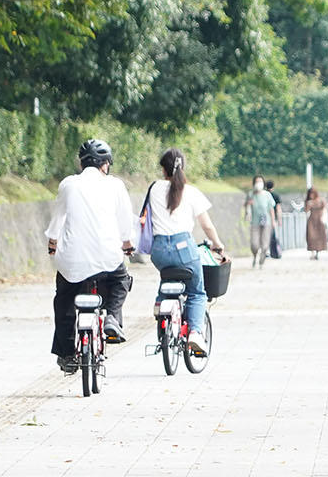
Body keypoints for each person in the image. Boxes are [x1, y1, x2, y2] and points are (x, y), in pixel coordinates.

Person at [46, 139, 136, 374]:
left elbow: (58, 218)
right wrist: (127, 243)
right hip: (108, 258)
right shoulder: (115, 185)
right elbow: (125, 221)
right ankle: (112, 318)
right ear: (105, 164)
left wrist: (53, 241)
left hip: (72, 262)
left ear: (81, 162)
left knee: (64, 300)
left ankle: (66, 354)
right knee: (121, 281)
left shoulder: (68, 184)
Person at [139, 148, 230, 355]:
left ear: (163, 169)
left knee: (169, 274)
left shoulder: (154, 188)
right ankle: (196, 333)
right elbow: (206, 225)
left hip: (159, 250)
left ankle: (161, 302)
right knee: (197, 292)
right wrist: (217, 244)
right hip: (184, 248)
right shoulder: (190, 191)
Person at [245, 176, 276, 268]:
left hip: (267, 222)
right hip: (254, 222)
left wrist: (273, 221)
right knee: (254, 244)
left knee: (265, 244)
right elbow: (246, 207)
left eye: (260, 181)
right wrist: (248, 205)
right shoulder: (251, 194)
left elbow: (271, 209)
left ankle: (261, 261)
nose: (259, 183)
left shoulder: (267, 195)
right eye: (257, 181)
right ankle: (255, 256)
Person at [304, 188, 328, 259]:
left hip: (320, 220)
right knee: (311, 236)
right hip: (311, 220)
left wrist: (324, 218)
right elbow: (306, 211)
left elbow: (325, 209)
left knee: (319, 237)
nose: (311, 195)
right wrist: (309, 204)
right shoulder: (309, 202)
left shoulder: (321, 200)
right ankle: (312, 252)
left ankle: (317, 252)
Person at [264, 180, 283, 259]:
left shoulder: (264, 195)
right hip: (273, 217)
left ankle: (266, 251)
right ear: (273, 186)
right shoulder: (275, 195)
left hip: (263, 218)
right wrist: (279, 220)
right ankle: (274, 251)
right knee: (273, 235)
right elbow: (278, 208)